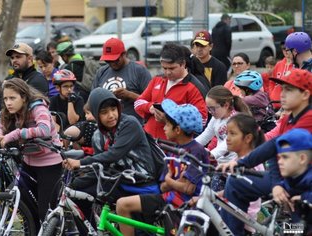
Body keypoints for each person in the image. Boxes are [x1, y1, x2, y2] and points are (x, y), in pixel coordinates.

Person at [217, 68, 312, 236]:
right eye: (282, 89)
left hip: (305, 185)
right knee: (236, 182)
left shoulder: (308, 120)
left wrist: (278, 184)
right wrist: (241, 163)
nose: (282, 94)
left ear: (305, 95)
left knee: (299, 229)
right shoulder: (288, 118)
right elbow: (275, 149)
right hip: (288, 178)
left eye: (289, 90)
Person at [62, 87, 157, 224]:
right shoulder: (97, 136)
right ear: (96, 114)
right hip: (116, 179)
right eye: (104, 112)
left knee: (141, 231)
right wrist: (73, 183)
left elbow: (114, 155)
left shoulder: (130, 124)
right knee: (77, 192)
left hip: (140, 181)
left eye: (113, 109)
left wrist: (81, 163)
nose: (111, 115)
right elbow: (100, 165)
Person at [116, 98, 209, 236]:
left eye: (166, 124)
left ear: (177, 129)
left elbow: (188, 189)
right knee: (122, 204)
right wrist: (173, 183)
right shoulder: (174, 149)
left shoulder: (196, 151)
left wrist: (170, 181)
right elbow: (163, 186)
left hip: (185, 207)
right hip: (167, 198)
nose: (163, 128)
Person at [0, 78, 63, 224]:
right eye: (5, 99)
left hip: (49, 164)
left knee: (46, 213)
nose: (8, 102)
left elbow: (44, 130)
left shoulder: (38, 107)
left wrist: (15, 134)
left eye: (12, 98)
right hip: (28, 163)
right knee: (28, 211)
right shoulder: (11, 110)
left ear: (23, 97)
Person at [135, 43, 208, 140]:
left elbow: (202, 120)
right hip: (149, 140)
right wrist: (151, 108)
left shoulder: (194, 87)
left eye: (172, 68)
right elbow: (138, 103)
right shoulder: (157, 80)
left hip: (174, 147)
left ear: (183, 64)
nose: (168, 72)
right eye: (164, 68)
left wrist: (169, 118)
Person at [196, 85, 251, 191]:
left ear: (226, 105)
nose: (210, 112)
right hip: (221, 165)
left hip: (236, 166)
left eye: (212, 108)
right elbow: (206, 135)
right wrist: (189, 145)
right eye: (208, 108)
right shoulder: (216, 117)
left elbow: (229, 142)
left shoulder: (236, 119)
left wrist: (213, 153)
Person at [92, 37, 151, 123]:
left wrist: (129, 95)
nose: (112, 63)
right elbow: (91, 101)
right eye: (108, 61)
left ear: (124, 54)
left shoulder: (139, 71)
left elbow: (151, 103)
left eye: (115, 60)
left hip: (132, 123)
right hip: (106, 124)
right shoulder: (102, 72)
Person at [225, 113, 266, 234]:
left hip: (242, 220)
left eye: (232, 134)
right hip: (233, 212)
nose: (227, 138)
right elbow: (232, 190)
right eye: (227, 133)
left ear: (248, 138)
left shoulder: (250, 165)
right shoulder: (238, 160)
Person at [274, 128, 312, 232]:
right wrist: (279, 188)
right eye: (279, 157)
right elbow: (284, 185)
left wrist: (303, 197)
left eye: (285, 157)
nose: (279, 162)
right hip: (300, 226)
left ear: (302, 159)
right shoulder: (291, 178)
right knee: (284, 230)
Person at [269, 41, 294, 110]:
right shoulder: (279, 64)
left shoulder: (296, 66)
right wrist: (271, 94)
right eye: (283, 48)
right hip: (274, 104)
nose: (285, 51)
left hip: (288, 106)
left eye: (288, 49)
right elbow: (272, 82)